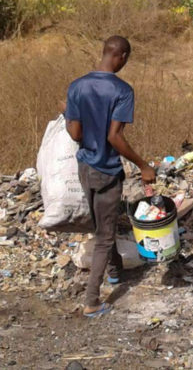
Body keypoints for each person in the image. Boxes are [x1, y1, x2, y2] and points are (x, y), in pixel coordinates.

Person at [64, 35, 156, 317]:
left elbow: (75, 133)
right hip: (106, 170)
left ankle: (115, 273)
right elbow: (114, 137)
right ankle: (92, 301)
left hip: (85, 168)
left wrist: (67, 115)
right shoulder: (122, 91)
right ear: (123, 56)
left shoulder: (77, 86)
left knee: (103, 225)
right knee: (104, 236)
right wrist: (143, 166)